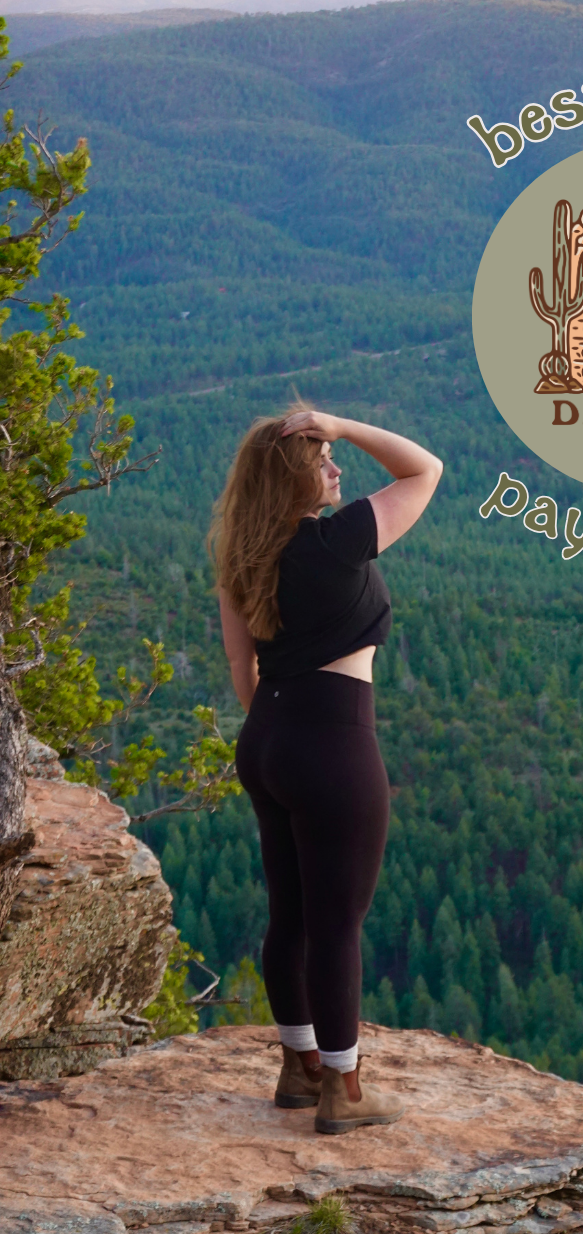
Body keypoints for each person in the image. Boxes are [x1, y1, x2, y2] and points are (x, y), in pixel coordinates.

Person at [209, 406, 442, 1135]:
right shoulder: (337, 543)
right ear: (293, 479)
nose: (336, 467)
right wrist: (340, 422)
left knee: (293, 915)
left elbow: (240, 669)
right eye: (322, 459)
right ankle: (344, 1087)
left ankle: (299, 1066)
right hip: (334, 743)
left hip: (268, 738)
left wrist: (279, 735)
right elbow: (423, 467)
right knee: (339, 923)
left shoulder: (243, 556)